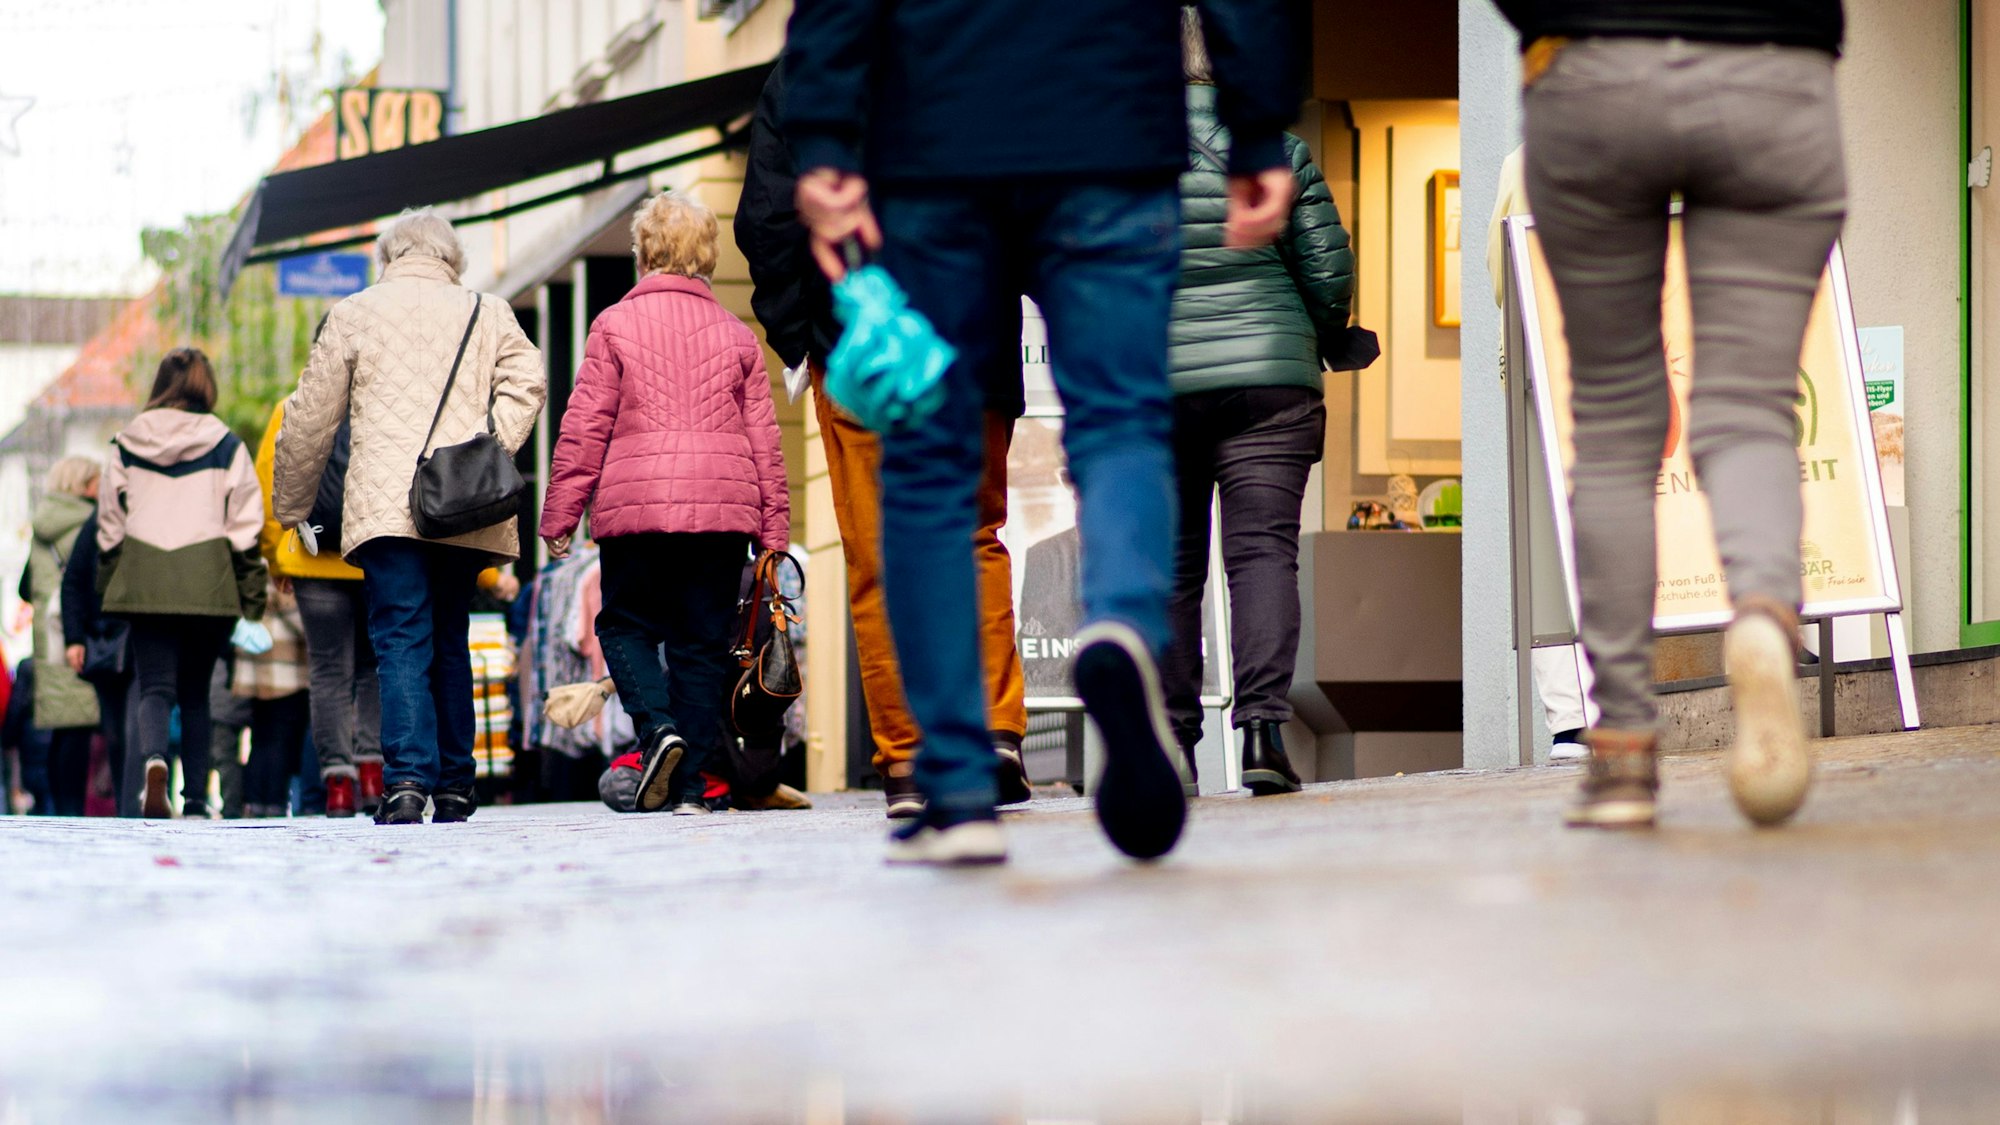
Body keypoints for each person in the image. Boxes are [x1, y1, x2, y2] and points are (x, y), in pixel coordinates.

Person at [784, 0, 1304, 864]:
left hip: (938, 133)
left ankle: (954, 780)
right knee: (1122, 416)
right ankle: (1124, 622)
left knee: (929, 458)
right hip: (1112, 123)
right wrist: (1255, 126)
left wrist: (826, 136)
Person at [1494, 0, 1846, 827]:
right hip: (1775, 67)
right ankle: (1762, 611)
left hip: (1593, 69)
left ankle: (1619, 753)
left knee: (1614, 421)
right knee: (1752, 405)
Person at [735, 59, 1033, 820]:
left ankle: (909, 759)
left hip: (862, 340)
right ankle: (995, 732)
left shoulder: (810, 70)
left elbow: (769, 216)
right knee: (974, 534)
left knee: (877, 554)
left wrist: (800, 336)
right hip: (973, 335)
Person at [273, 208, 547, 826]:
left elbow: (310, 417)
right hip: (463, 502)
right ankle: (454, 785)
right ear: (452, 258)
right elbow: (528, 381)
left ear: (388, 256)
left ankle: (404, 784)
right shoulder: (488, 311)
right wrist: (487, 450)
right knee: (450, 636)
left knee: (398, 638)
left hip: (385, 508)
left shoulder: (353, 313)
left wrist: (291, 506)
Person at [539, 191, 790, 816]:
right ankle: (690, 793)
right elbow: (766, 438)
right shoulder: (737, 336)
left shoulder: (614, 325)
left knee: (623, 626)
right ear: (706, 255)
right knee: (701, 647)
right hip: (721, 513)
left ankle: (657, 731)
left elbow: (585, 425)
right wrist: (775, 530)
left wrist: (561, 512)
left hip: (638, 511)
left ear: (642, 252)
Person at [1160, 9, 1354, 798]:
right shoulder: (1280, 152)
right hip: (1270, 384)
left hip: (1161, 387)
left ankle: (1175, 749)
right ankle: (1265, 732)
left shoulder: (1128, 155)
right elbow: (1331, 279)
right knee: (1263, 554)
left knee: (1173, 573)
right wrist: (1317, 329)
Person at [98, 347, 268, 820]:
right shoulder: (227, 443)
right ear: (204, 385)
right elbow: (245, 525)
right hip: (208, 585)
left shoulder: (125, 442)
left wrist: (110, 584)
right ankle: (195, 799)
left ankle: (154, 763)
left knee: (155, 688)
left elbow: (110, 524)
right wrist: (251, 599)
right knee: (195, 694)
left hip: (147, 583)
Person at [255, 398, 380, 819]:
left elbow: (269, 486)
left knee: (328, 673)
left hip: (311, 558)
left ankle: (338, 783)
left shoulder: (290, 408)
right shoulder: (379, 401)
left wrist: (276, 559)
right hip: (373, 555)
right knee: (372, 669)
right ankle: (372, 774)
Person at [20, 456, 104, 814]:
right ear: (85, 485)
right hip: (76, 637)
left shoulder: (43, 528)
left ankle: (57, 809)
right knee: (79, 728)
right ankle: (71, 812)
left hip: (47, 642)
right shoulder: (87, 523)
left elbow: (26, 587)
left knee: (60, 728)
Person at [60, 506, 134, 813]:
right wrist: (74, 638)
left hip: (145, 636)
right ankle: (126, 804)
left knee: (135, 728)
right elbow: (73, 581)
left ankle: (133, 805)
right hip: (106, 641)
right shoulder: (100, 517)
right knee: (116, 732)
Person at [232, 579, 310, 818]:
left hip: (257, 663)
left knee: (261, 736)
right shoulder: (274, 564)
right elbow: (291, 609)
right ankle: (273, 801)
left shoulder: (252, 561)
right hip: (282, 665)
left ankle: (255, 801)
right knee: (280, 736)